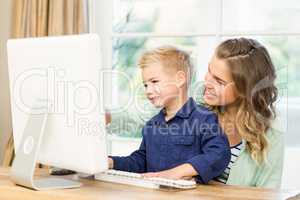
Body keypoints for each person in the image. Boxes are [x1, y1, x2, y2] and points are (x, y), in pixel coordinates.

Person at [108, 46, 231, 184]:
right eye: (145, 85)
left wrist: (175, 173)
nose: (148, 90)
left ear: (180, 79)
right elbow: (140, 161)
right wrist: (111, 162)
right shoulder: (152, 125)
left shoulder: (204, 119)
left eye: (154, 82)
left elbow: (219, 155)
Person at [202, 38, 284, 188]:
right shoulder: (192, 111)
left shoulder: (271, 132)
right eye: (209, 70)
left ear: (246, 90)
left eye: (219, 82)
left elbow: (269, 193)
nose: (207, 83)